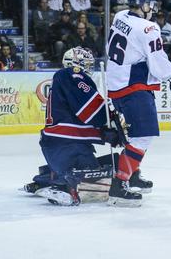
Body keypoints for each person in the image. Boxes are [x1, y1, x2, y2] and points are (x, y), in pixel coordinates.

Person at [22, 47, 151, 205]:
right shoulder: (71, 74)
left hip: (68, 144)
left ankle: (130, 174)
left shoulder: (67, 79)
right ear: (76, 64)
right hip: (65, 144)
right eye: (86, 64)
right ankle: (59, 185)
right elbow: (91, 110)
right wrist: (107, 124)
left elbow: (82, 117)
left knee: (107, 167)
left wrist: (104, 131)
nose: (89, 68)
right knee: (94, 178)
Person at [105, 0, 171, 207]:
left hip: (117, 84)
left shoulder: (120, 15)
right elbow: (158, 60)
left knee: (138, 135)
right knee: (143, 136)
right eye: (150, 3)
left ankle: (132, 172)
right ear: (143, 5)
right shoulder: (149, 28)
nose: (152, 7)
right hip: (133, 87)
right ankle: (119, 184)